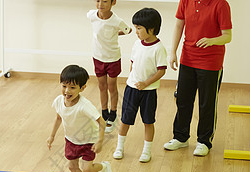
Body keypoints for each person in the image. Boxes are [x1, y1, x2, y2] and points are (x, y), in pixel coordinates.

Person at [163, 0, 232, 156]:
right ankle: (180, 137)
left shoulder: (221, 5)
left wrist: (212, 41)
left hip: (211, 62)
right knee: (182, 99)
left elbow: (227, 36)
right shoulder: (186, 1)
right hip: (187, 57)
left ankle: (204, 141)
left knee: (207, 103)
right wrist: (172, 51)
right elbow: (179, 25)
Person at [47, 65, 113, 172]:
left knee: (87, 169)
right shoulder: (59, 101)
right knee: (72, 167)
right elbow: (58, 118)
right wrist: (52, 136)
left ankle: (104, 166)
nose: (67, 91)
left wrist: (100, 141)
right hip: (71, 140)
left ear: (82, 88)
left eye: (72, 87)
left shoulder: (84, 106)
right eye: (64, 86)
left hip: (89, 141)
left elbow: (101, 122)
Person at [112, 8, 167, 163]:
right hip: (132, 89)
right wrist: (132, 79)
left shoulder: (159, 48)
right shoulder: (137, 44)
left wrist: (146, 83)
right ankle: (119, 147)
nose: (136, 31)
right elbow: (133, 63)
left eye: (139, 28)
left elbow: (161, 71)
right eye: (135, 27)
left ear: (151, 29)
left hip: (148, 92)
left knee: (148, 121)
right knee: (125, 120)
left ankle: (146, 151)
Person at [87, 0, 131, 133]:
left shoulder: (116, 21)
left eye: (105, 1)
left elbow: (128, 30)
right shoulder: (91, 15)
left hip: (112, 58)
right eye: (98, 0)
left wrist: (115, 34)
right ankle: (104, 111)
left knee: (111, 86)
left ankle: (113, 113)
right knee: (101, 86)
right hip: (98, 57)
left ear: (113, 2)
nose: (101, 4)